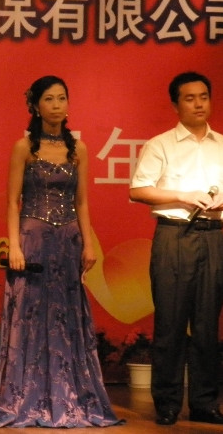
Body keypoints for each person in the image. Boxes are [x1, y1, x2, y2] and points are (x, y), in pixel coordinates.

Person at [0, 75, 122, 428]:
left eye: (62, 98)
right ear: (35, 105)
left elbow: (82, 202)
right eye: (49, 99)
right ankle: (25, 400)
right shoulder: (24, 147)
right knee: (30, 317)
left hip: (68, 242)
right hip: (33, 239)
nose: (57, 105)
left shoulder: (79, 150)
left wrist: (89, 243)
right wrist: (14, 245)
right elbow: (12, 202)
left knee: (66, 318)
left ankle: (69, 397)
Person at [129, 71, 223, 426]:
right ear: (175, 105)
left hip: (215, 235)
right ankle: (167, 403)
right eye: (189, 98)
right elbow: (138, 189)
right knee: (170, 322)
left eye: (204, 97)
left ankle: (204, 403)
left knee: (207, 324)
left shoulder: (221, 144)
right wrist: (183, 196)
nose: (199, 104)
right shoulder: (161, 145)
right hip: (175, 236)